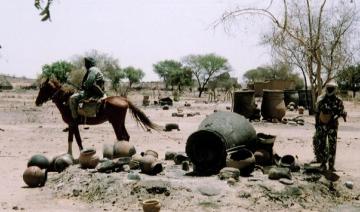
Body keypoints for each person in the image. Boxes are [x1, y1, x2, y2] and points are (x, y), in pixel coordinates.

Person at [312, 80, 347, 171]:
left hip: (333, 126)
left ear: (335, 89)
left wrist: (337, 116)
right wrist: (316, 125)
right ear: (326, 88)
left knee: (332, 146)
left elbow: (341, 112)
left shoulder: (338, 100)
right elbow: (317, 113)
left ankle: (331, 166)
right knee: (322, 145)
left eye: (332, 88)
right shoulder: (321, 99)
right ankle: (323, 164)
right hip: (322, 126)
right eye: (329, 88)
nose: (330, 90)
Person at [69, 57, 105, 125]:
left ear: (89, 64)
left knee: (72, 98)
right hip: (96, 90)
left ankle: (75, 119)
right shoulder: (96, 69)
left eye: (86, 64)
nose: (85, 65)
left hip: (93, 92)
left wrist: (84, 87)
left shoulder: (92, 70)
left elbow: (89, 81)